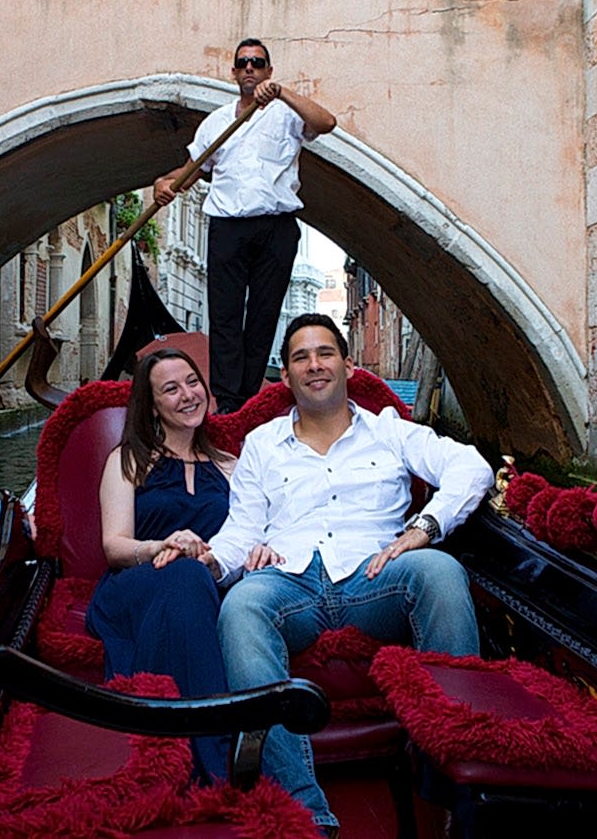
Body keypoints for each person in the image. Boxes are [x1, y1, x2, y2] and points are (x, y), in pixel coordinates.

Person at [202, 314, 492, 833]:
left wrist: (423, 528)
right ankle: (306, 816)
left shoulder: (390, 431)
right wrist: (208, 559)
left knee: (440, 572)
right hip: (289, 580)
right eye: (300, 358)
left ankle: (455, 788)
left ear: (348, 365)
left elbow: (472, 468)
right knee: (241, 607)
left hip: (375, 578)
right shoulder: (263, 445)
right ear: (285, 378)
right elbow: (240, 531)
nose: (314, 365)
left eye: (324, 353)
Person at [153, 41, 337, 414]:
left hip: (276, 227)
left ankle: (249, 398)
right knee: (224, 315)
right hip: (227, 226)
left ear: (268, 71)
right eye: (243, 63)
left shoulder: (287, 115)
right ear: (235, 73)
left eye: (258, 63)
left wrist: (283, 93)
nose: (250, 68)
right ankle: (228, 403)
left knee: (263, 315)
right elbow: (190, 173)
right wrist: (164, 182)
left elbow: (326, 123)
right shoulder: (217, 122)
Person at [85, 347, 235, 782]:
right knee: (181, 575)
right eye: (171, 389)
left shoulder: (230, 467)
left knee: (190, 577)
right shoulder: (127, 460)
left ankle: (181, 757)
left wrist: (208, 556)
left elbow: (249, 538)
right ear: (152, 406)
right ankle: (212, 767)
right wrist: (161, 547)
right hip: (135, 584)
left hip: (208, 584)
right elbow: (114, 546)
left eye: (193, 383)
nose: (188, 395)